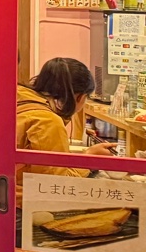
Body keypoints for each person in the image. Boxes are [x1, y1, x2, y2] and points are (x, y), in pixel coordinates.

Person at [16, 58, 116, 198]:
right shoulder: (48, 121)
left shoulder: (19, 96)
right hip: (20, 201)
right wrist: (88, 159)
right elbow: (56, 185)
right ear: (80, 97)